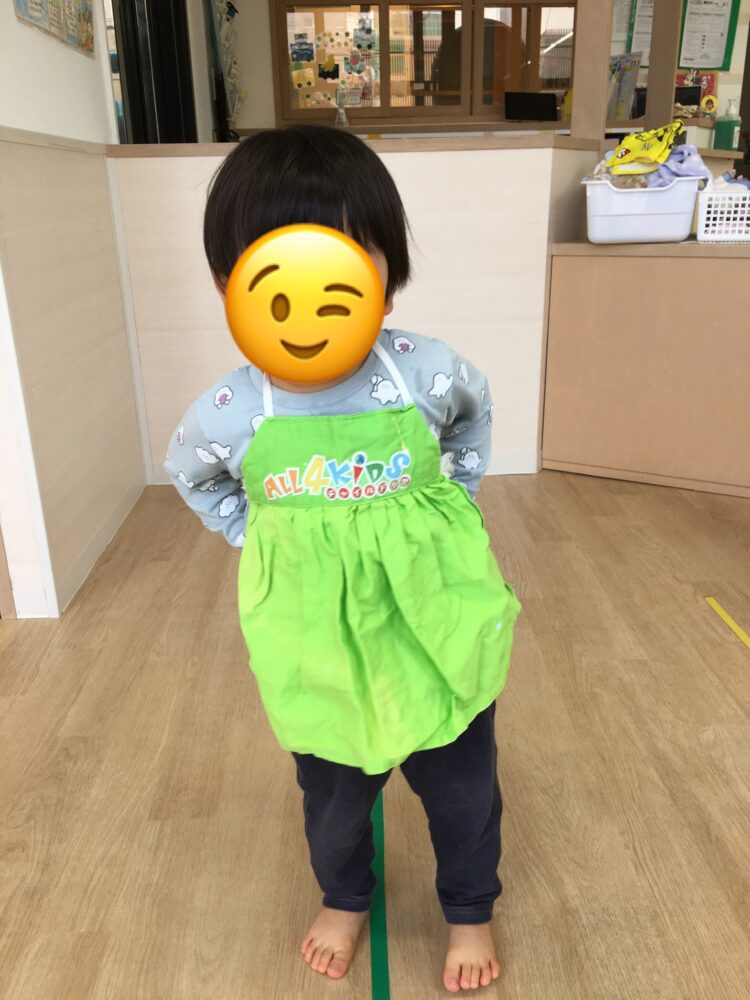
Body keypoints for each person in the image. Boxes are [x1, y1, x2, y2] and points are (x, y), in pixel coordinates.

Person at [165, 124, 520, 993]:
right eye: (274, 272)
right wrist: (253, 533)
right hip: (317, 639)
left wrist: (459, 501)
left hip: (432, 619)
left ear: (386, 281)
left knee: (464, 788)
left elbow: (474, 413)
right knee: (332, 797)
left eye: (342, 266)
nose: (309, 301)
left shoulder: (423, 371)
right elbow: (192, 473)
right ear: (229, 287)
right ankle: (345, 895)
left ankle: (469, 907)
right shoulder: (233, 410)